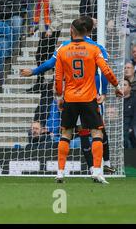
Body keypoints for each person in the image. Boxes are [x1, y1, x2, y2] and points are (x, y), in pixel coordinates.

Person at [21, 16, 118, 174]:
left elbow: (50, 64)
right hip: (92, 94)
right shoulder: (97, 47)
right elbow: (104, 72)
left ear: (73, 30)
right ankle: (99, 166)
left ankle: (97, 166)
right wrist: (105, 92)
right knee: (95, 130)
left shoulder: (65, 47)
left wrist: (34, 71)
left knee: (85, 130)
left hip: (74, 95)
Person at [54, 17, 123, 184]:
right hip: (88, 98)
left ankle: (60, 172)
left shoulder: (63, 50)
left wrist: (59, 96)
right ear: (88, 31)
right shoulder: (93, 49)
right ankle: (98, 171)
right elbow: (105, 70)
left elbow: (57, 77)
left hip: (70, 97)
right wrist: (116, 85)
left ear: (72, 30)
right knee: (97, 133)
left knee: (66, 134)